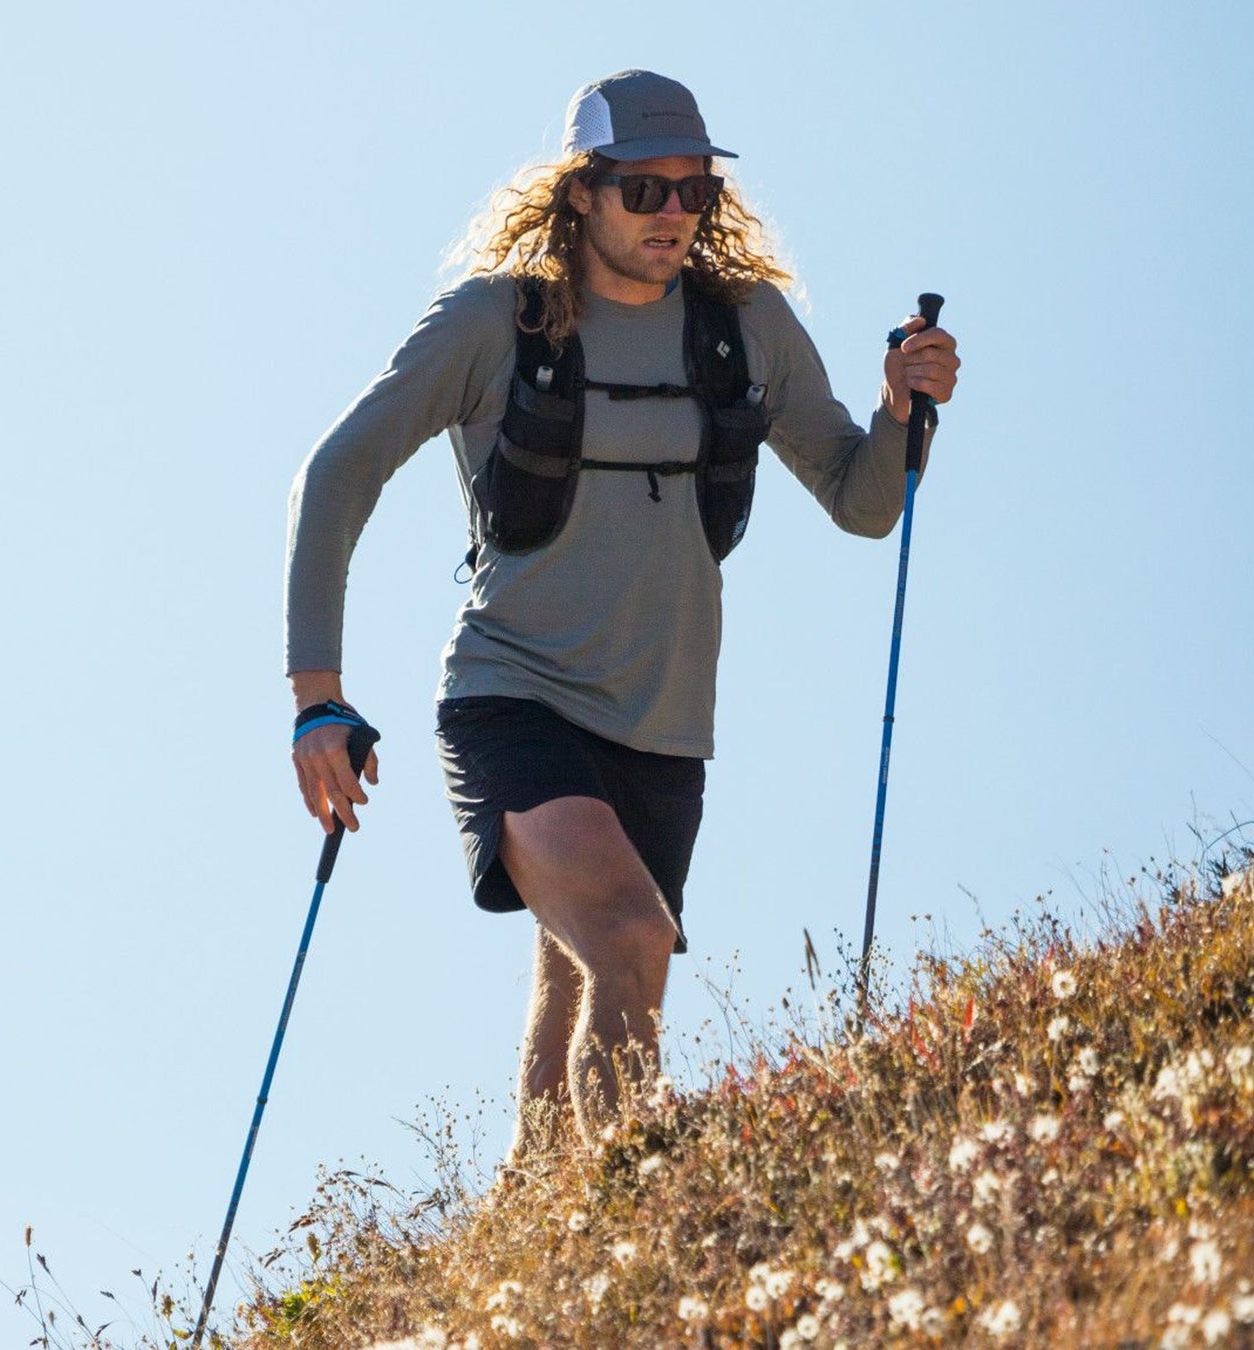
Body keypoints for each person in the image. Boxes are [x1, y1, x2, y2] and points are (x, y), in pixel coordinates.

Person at [281, 69, 961, 1165]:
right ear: (583, 192)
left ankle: (533, 1223)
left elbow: (863, 502)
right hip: (515, 698)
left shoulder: (745, 327)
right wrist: (319, 701)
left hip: (665, 732)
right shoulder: (496, 323)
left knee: (584, 971)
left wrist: (900, 411)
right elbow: (338, 471)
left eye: (695, 190)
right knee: (633, 939)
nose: (674, 213)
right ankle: (628, 1215)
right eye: (645, 190)